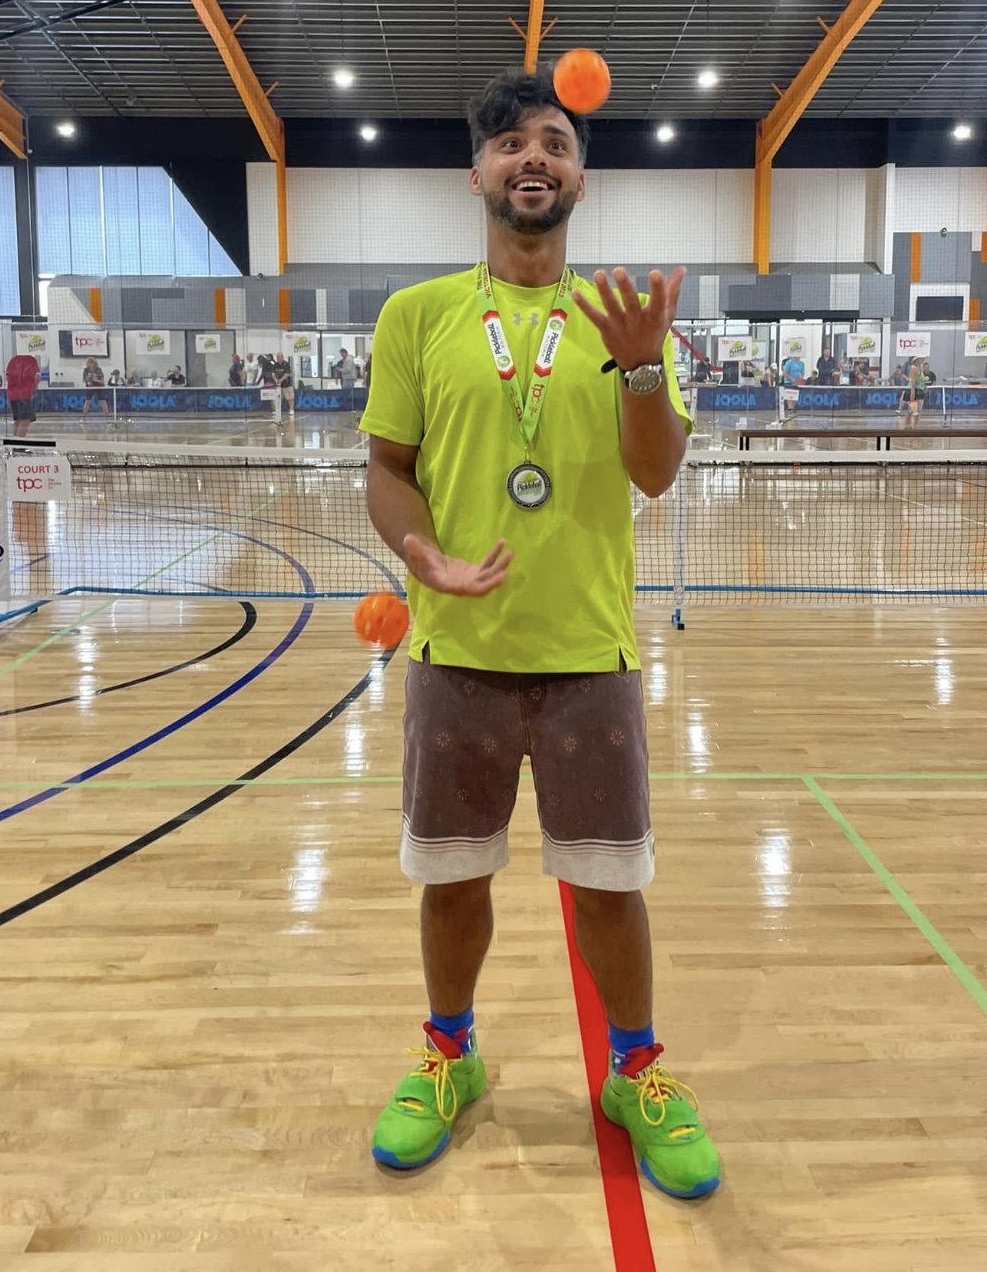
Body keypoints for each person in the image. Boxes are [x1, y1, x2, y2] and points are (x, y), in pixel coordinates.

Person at [359, 67, 719, 1199]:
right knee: (452, 878)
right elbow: (386, 471)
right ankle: (449, 1055)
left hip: (588, 659)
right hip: (454, 655)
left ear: (577, 174)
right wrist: (424, 558)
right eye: (511, 143)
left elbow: (656, 475)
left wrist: (646, 363)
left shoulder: (626, 319)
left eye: (554, 143)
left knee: (611, 885)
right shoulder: (418, 316)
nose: (533, 158)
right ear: (476, 175)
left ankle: (635, 1071)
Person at [5, 350, 40, 439]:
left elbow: (7, 377)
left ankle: (15, 443)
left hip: (12, 394)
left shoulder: (13, 360)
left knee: (18, 420)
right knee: (26, 419)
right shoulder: (31, 360)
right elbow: (37, 376)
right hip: (25, 394)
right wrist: (35, 387)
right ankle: (20, 444)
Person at [271, 352, 294, 416]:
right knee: (277, 398)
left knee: (290, 398)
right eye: (277, 357)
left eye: (279, 357)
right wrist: (276, 380)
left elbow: (287, 374)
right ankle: (277, 410)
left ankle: (291, 409)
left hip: (287, 384)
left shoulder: (286, 364)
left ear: (282, 357)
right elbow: (273, 374)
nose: (278, 358)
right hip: (278, 385)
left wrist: (281, 380)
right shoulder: (275, 365)